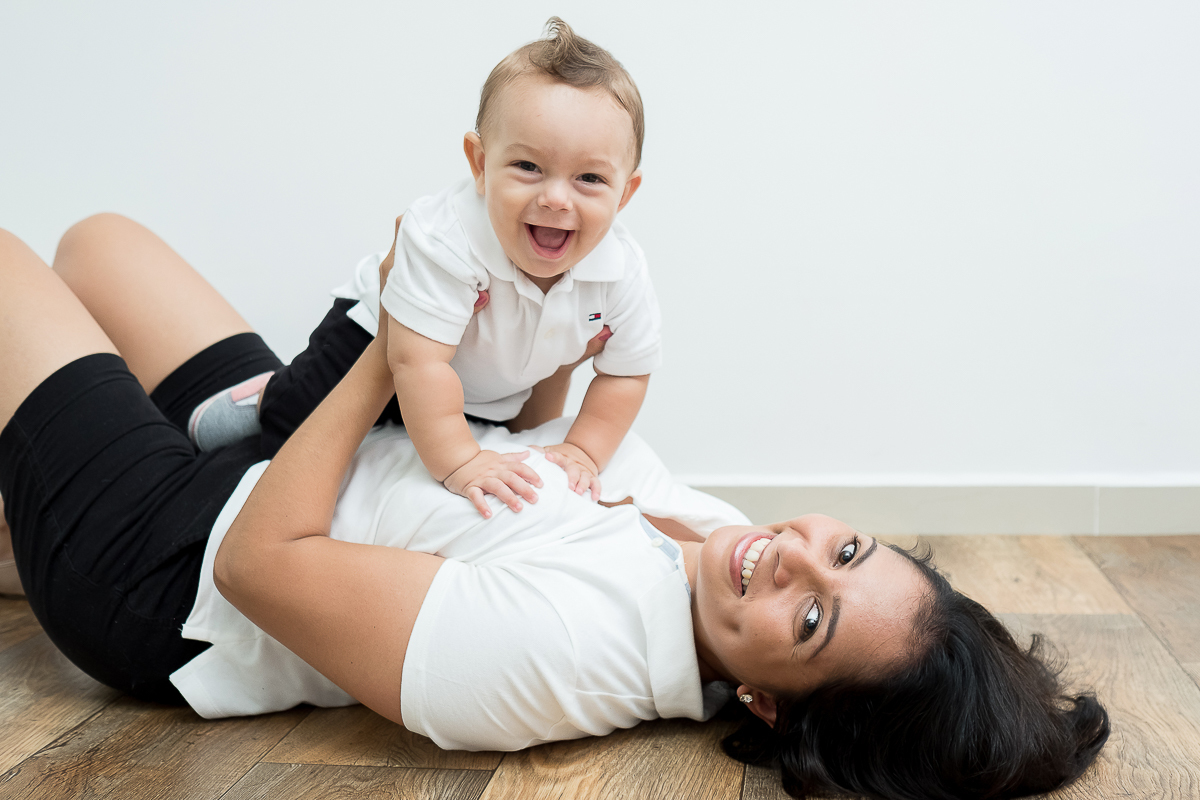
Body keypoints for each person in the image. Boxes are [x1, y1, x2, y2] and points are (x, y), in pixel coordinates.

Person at [0, 216, 1109, 800]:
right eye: (846, 548)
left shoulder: (558, 657)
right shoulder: (718, 538)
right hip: (299, 454)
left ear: (769, 704)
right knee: (100, 241)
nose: (791, 557)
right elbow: (517, 447)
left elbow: (255, 566)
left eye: (810, 617)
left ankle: (54, 539)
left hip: (174, 565)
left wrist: (396, 338)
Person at [191, 18, 659, 519]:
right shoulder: (446, 240)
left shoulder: (620, 271)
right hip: (375, 343)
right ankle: (269, 396)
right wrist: (459, 462)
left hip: (480, 387)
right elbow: (419, 363)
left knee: (406, 449)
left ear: (625, 193)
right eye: (528, 167)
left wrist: (584, 449)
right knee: (297, 433)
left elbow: (626, 373)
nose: (555, 198)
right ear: (479, 164)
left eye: (589, 178)